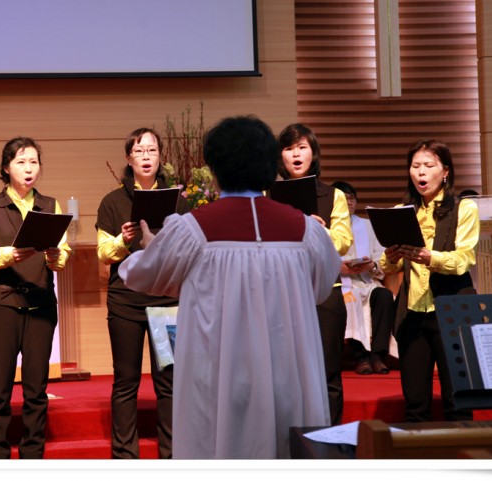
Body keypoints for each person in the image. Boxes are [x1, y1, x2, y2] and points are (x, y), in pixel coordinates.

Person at [117, 115, 340, 459]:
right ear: (270, 165)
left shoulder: (193, 228)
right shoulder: (306, 230)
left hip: (221, 373)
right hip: (287, 373)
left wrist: (150, 245)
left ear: (215, 169)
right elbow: (322, 285)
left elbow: (141, 276)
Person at [0, 137, 71, 459]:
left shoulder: (50, 205)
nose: (29, 169)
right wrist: (7, 255)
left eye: (33, 162)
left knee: (36, 389)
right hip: (3, 302)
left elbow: (63, 254)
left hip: (41, 303)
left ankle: (32, 457)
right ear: (6, 168)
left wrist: (56, 255)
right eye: (21, 162)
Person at [95, 127, 188, 459]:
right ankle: (125, 457)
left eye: (151, 151)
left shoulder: (178, 199)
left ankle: (173, 454)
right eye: (139, 151)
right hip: (126, 303)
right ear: (128, 159)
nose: (146, 157)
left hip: (167, 302)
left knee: (169, 383)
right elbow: (104, 254)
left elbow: (188, 249)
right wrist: (123, 239)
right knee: (126, 381)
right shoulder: (113, 201)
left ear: (160, 157)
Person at [380, 139, 479, 422]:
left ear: (445, 171)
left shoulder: (464, 208)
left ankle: (465, 461)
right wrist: (391, 254)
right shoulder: (403, 210)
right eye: (415, 166)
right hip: (411, 314)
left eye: (429, 165)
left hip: (451, 313)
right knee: (415, 405)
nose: (421, 172)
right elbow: (388, 268)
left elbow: (464, 259)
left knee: (458, 402)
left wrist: (430, 258)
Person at [276, 123, 352, 426]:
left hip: (324, 292)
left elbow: (343, 243)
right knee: (286, 373)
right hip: (282, 293)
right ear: (280, 156)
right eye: (289, 148)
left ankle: (329, 442)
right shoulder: (270, 195)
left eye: (302, 147)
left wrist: (320, 231)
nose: (296, 154)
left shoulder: (334, 195)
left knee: (328, 371)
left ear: (314, 153)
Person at [332, 180, 396, 375]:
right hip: (341, 282)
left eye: (352, 198)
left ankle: (378, 355)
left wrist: (372, 265)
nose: (349, 203)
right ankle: (360, 357)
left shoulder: (368, 226)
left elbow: (382, 257)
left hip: (368, 280)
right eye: (344, 199)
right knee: (349, 298)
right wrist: (338, 267)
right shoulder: (327, 227)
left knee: (384, 297)